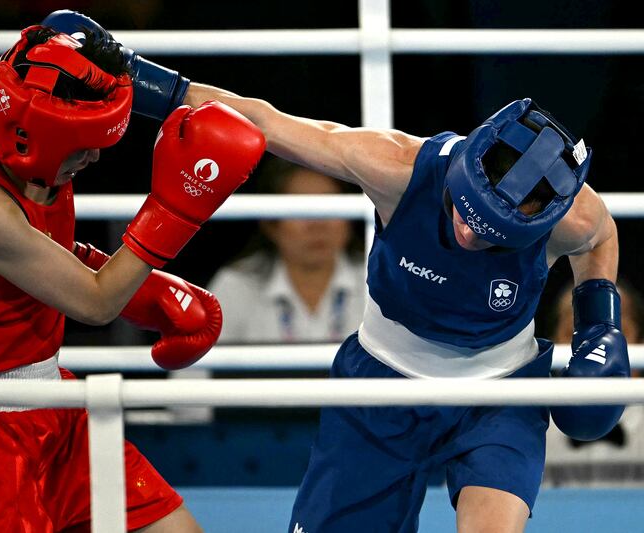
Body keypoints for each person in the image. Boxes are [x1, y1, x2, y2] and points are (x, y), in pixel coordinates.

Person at [40, 10, 630, 532]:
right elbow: (265, 122)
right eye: (463, 211)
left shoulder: (573, 217)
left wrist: (598, 318)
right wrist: (138, 78)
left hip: (501, 392)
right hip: (380, 383)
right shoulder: (396, 168)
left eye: (491, 234)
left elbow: (602, 236)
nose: (469, 232)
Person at [0, 24, 265, 532]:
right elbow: (94, 305)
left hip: (52, 400)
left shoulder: (29, 141)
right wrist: (173, 210)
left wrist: (146, 293)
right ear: (33, 136)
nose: (93, 158)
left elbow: (43, 253)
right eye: (81, 146)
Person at [208, 156, 364, 344]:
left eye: (328, 204)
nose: (318, 224)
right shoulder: (235, 286)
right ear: (270, 224)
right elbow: (193, 372)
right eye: (301, 209)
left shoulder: (378, 282)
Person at [543, 280, 644, 487]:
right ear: (555, 340)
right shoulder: (530, 427)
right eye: (573, 333)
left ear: (639, 340)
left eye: (612, 335)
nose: (594, 354)